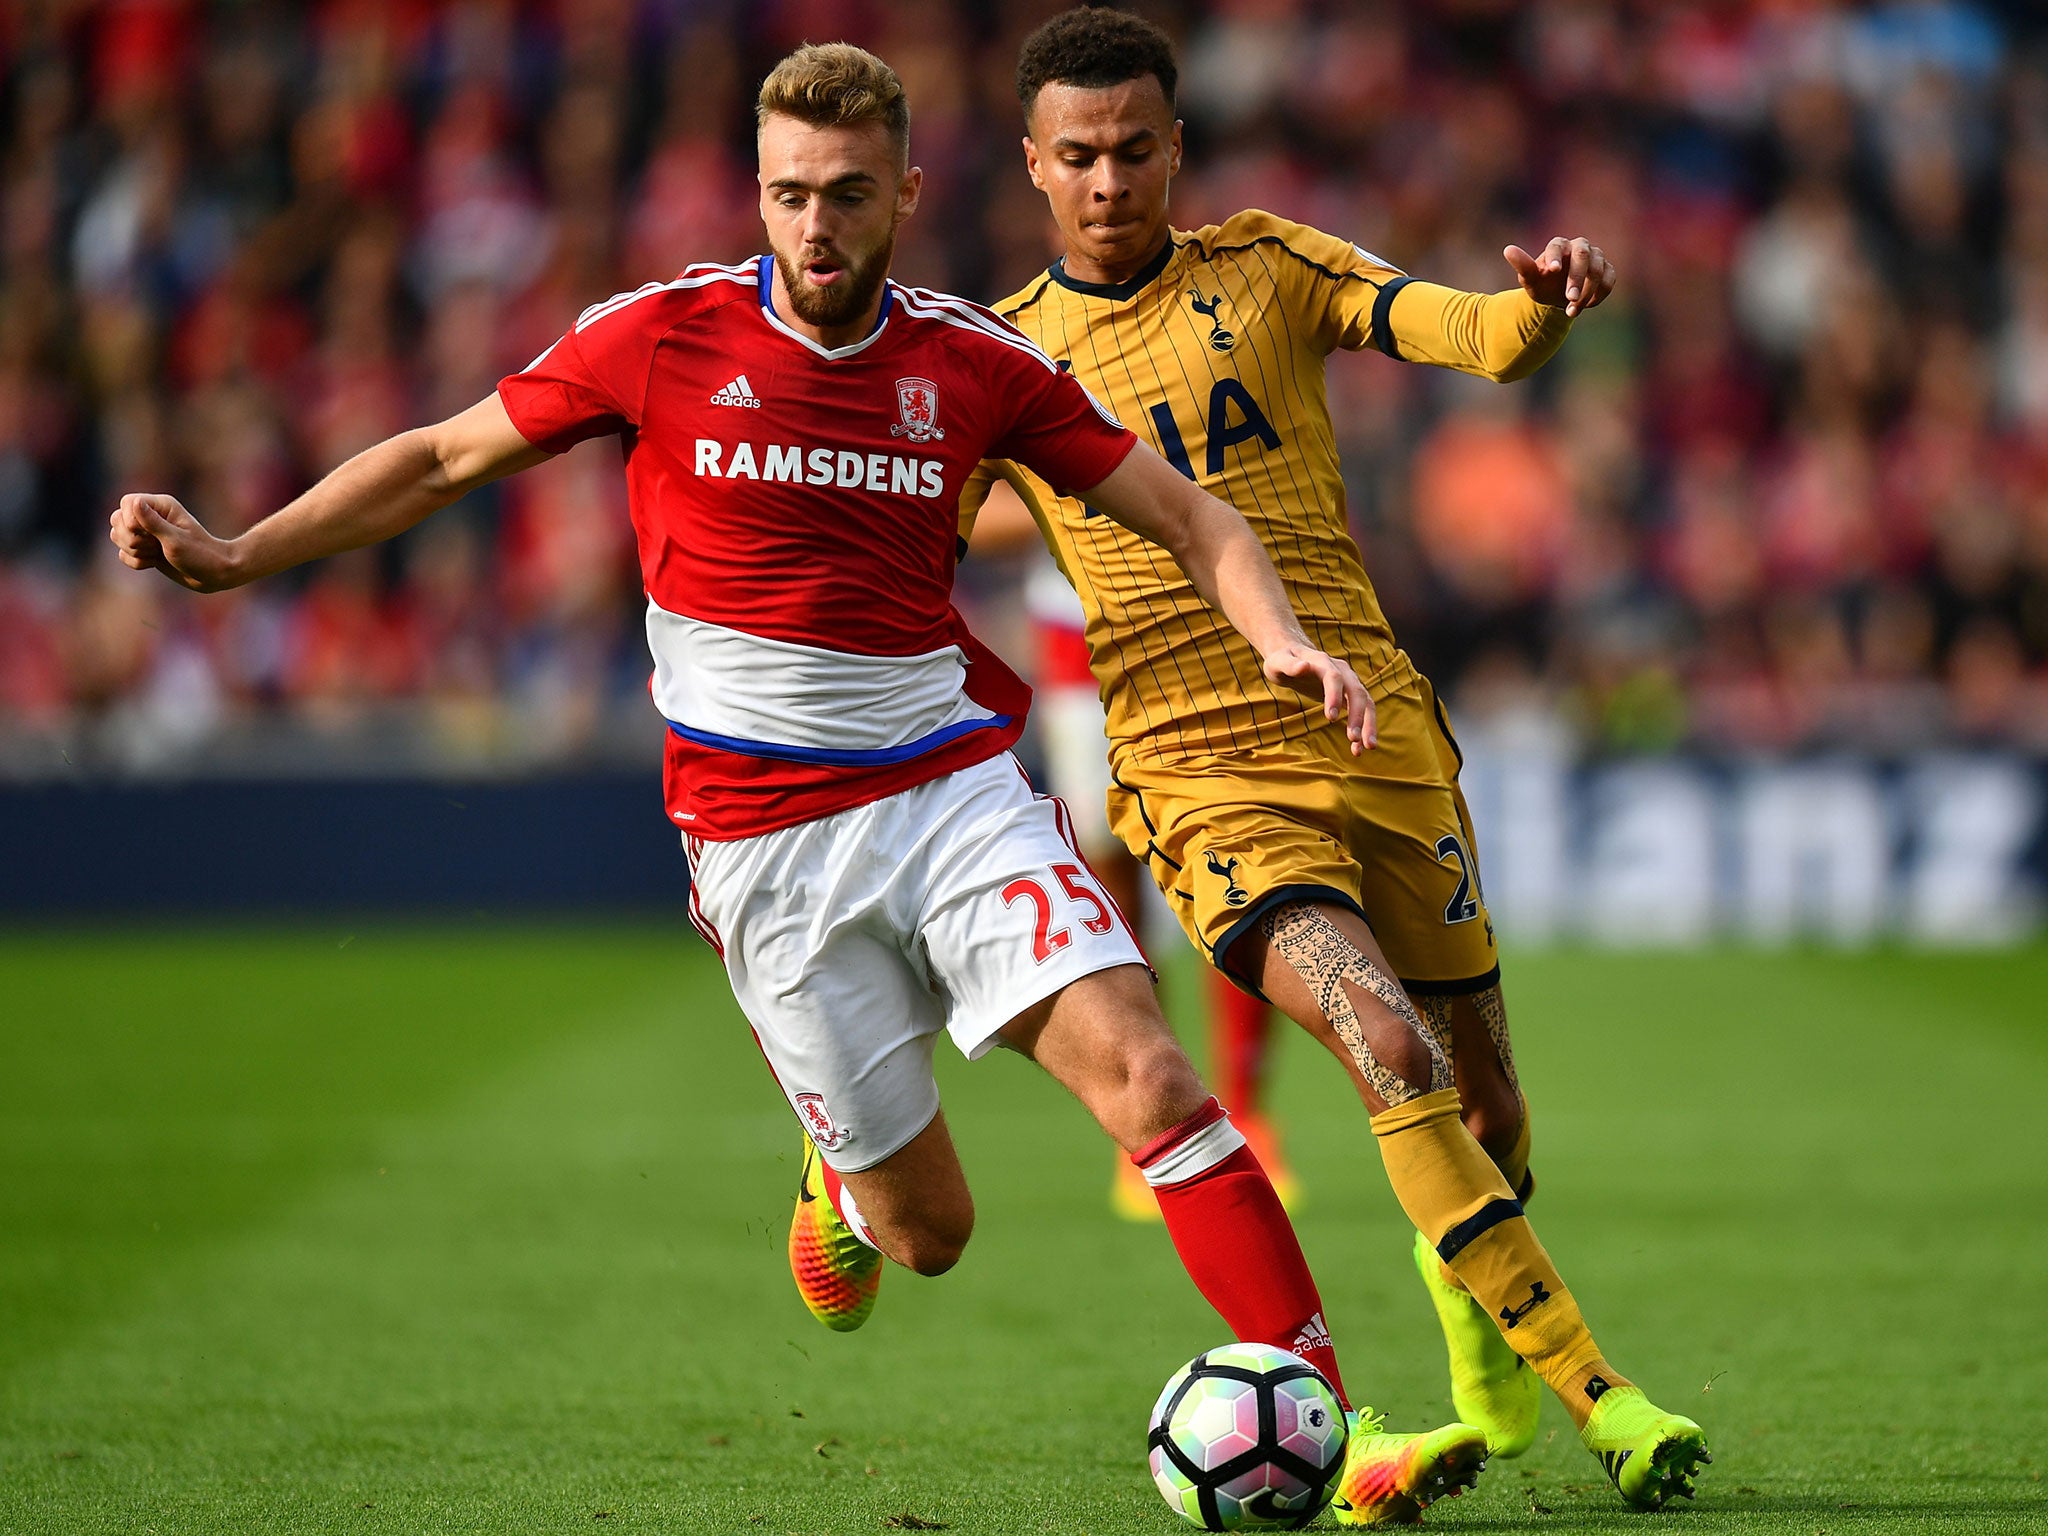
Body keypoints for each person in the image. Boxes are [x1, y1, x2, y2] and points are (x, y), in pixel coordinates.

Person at [110, 42, 1488, 1527]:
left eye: (844, 195)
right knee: (931, 1234)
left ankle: (1335, 1431)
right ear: (754, 197)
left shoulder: (973, 363)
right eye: (786, 196)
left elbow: (1192, 513)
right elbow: (446, 457)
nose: (815, 227)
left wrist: (1281, 640)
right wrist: (242, 553)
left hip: (951, 794)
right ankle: (838, 1177)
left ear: (901, 191)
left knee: (1153, 1078)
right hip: (764, 845)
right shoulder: (660, 336)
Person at [961, 8, 1710, 1514]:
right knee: (1383, 1041)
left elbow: (1469, 335)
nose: (1110, 182)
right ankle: (1602, 1395)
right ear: (1033, 165)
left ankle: (1475, 1342)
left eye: (1135, 150)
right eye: (1079, 158)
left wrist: (1544, 307)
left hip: (1376, 737)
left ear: (1177, 146)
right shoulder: (996, 359)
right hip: (1192, 766)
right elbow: (906, 553)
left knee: (1490, 1117)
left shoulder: (1272, 267)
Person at [972, 480, 1302, 1223]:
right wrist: (1076, 485)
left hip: (1205, 611)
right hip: (1080, 630)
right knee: (1109, 865)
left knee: (1233, 856)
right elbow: (966, 509)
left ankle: (1249, 1116)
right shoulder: (1023, 360)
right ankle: (1156, 1119)